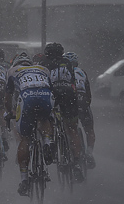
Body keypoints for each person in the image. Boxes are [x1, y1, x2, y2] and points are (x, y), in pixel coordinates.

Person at [6, 52, 54, 197]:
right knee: (45, 119)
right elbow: (52, 89)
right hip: (46, 96)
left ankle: (25, 180)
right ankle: (47, 142)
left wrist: (9, 112)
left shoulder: (13, 71)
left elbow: (8, 96)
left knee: (25, 138)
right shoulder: (43, 69)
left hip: (27, 98)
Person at [40, 42, 84, 183]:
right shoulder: (67, 62)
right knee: (72, 129)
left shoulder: (43, 62)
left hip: (52, 94)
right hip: (69, 95)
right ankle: (76, 162)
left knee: (48, 119)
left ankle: (51, 143)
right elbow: (72, 81)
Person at [65, 51, 96, 169]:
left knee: (71, 128)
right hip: (83, 101)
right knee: (89, 129)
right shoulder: (82, 72)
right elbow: (88, 93)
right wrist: (86, 105)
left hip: (70, 101)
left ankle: (71, 147)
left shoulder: (63, 72)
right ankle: (89, 153)